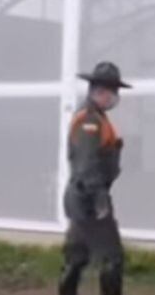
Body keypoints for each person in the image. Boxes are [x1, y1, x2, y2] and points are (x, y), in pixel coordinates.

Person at [59, 61, 131, 295]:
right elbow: (87, 163)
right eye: (112, 92)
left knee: (77, 256)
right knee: (112, 257)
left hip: (81, 196)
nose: (114, 98)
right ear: (99, 92)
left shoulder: (96, 117)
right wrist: (100, 198)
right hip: (89, 197)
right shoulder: (90, 120)